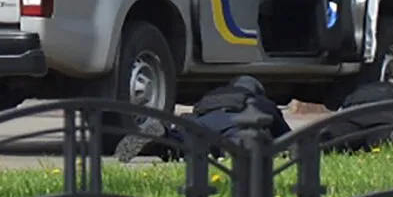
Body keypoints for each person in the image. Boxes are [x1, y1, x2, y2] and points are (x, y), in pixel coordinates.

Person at [114, 76, 292, 162]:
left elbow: (197, 111)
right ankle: (234, 150)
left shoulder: (213, 95)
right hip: (236, 124)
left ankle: (164, 137)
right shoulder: (261, 102)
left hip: (199, 123)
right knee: (246, 141)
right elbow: (287, 138)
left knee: (184, 142)